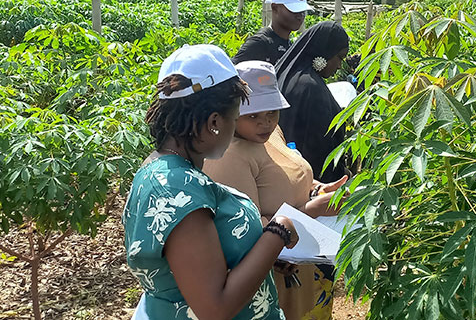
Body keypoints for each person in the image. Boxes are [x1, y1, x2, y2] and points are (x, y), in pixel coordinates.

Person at [123, 44, 299, 319]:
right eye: (235, 118)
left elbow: (199, 261)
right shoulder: (176, 188)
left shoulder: (166, 168)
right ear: (215, 122)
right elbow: (214, 308)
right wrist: (278, 232)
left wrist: (256, 255)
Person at [203, 60, 347, 320]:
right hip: (276, 272)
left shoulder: (271, 135)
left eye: (272, 112)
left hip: (304, 261)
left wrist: (317, 189)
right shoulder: (229, 156)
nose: (265, 123)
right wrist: (310, 210)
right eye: (253, 116)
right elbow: (243, 230)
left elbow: (287, 173)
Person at [275, 21, 350, 182]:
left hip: (286, 175)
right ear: (325, 52)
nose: (339, 66)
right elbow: (317, 148)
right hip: (311, 184)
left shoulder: (292, 75)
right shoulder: (310, 87)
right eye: (339, 58)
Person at [232, 0, 311, 65]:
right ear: (275, 8)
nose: (300, 16)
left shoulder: (290, 46)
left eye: (302, 11)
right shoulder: (259, 43)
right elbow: (232, 73)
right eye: (294, 10)